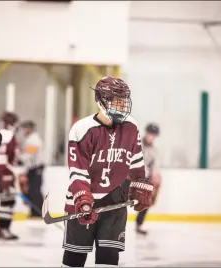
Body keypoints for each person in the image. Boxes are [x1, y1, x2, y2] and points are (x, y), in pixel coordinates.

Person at [61, 76, 154, 267]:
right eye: (116, 101)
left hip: (115, 202)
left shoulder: (131, 126)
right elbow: (77, 171)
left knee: (109, 260)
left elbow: (136, 161)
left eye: (124, 101)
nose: (121, 106)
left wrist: (139, 184)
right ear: (101, 101)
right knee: (74, 260)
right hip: (82, 201)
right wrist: (83, 199)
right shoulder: (82, 129)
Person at [0, 111, 27, 240]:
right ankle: (3, 229)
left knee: (6, 200)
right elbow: (4, 157)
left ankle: (0, 229)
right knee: (8, 200)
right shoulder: (9, 136)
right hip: (2, 171)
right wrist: (8, 176)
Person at [135, 123, 161, 235]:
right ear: (146, 133)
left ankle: (139, 224)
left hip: (143, 178)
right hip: (131, 176)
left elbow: (153, 167)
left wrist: (154, 176)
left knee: (147, 200)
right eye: (150, 134)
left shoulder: (153, 151)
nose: (152, 137)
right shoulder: (136, 144)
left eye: (154, 135)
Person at [18, 120, 45, 218]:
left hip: (36, 168)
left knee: (35, 190)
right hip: (33, 168)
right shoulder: (30, 139)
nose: (23, 131)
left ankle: (38, 213)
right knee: (32, 191)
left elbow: (30, 155)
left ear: (29, 129)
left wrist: (20, 157)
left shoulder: (33, 139)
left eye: (24, 129)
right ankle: (35, 212)